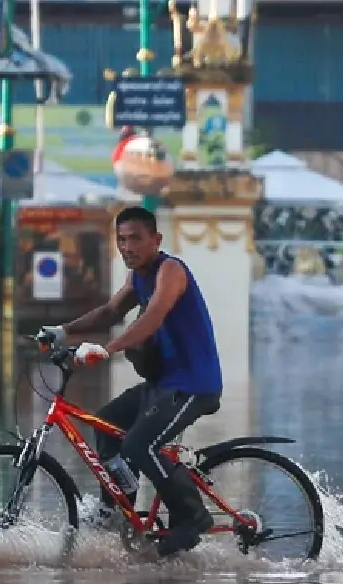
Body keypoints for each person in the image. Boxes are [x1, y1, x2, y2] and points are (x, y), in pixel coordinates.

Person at [41, 205, 223, 557]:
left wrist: (106, 351)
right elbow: (110, 312)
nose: (127, 246)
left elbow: (153, 317)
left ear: (156, 240)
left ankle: (193, 517)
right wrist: (62, 332)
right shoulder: (138, 276)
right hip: (164, 383)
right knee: (106, 424)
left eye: (136, 239)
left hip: (193, 384)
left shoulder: (170, 271)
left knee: (141, 446)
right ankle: (116, 511)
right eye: (121, 239)